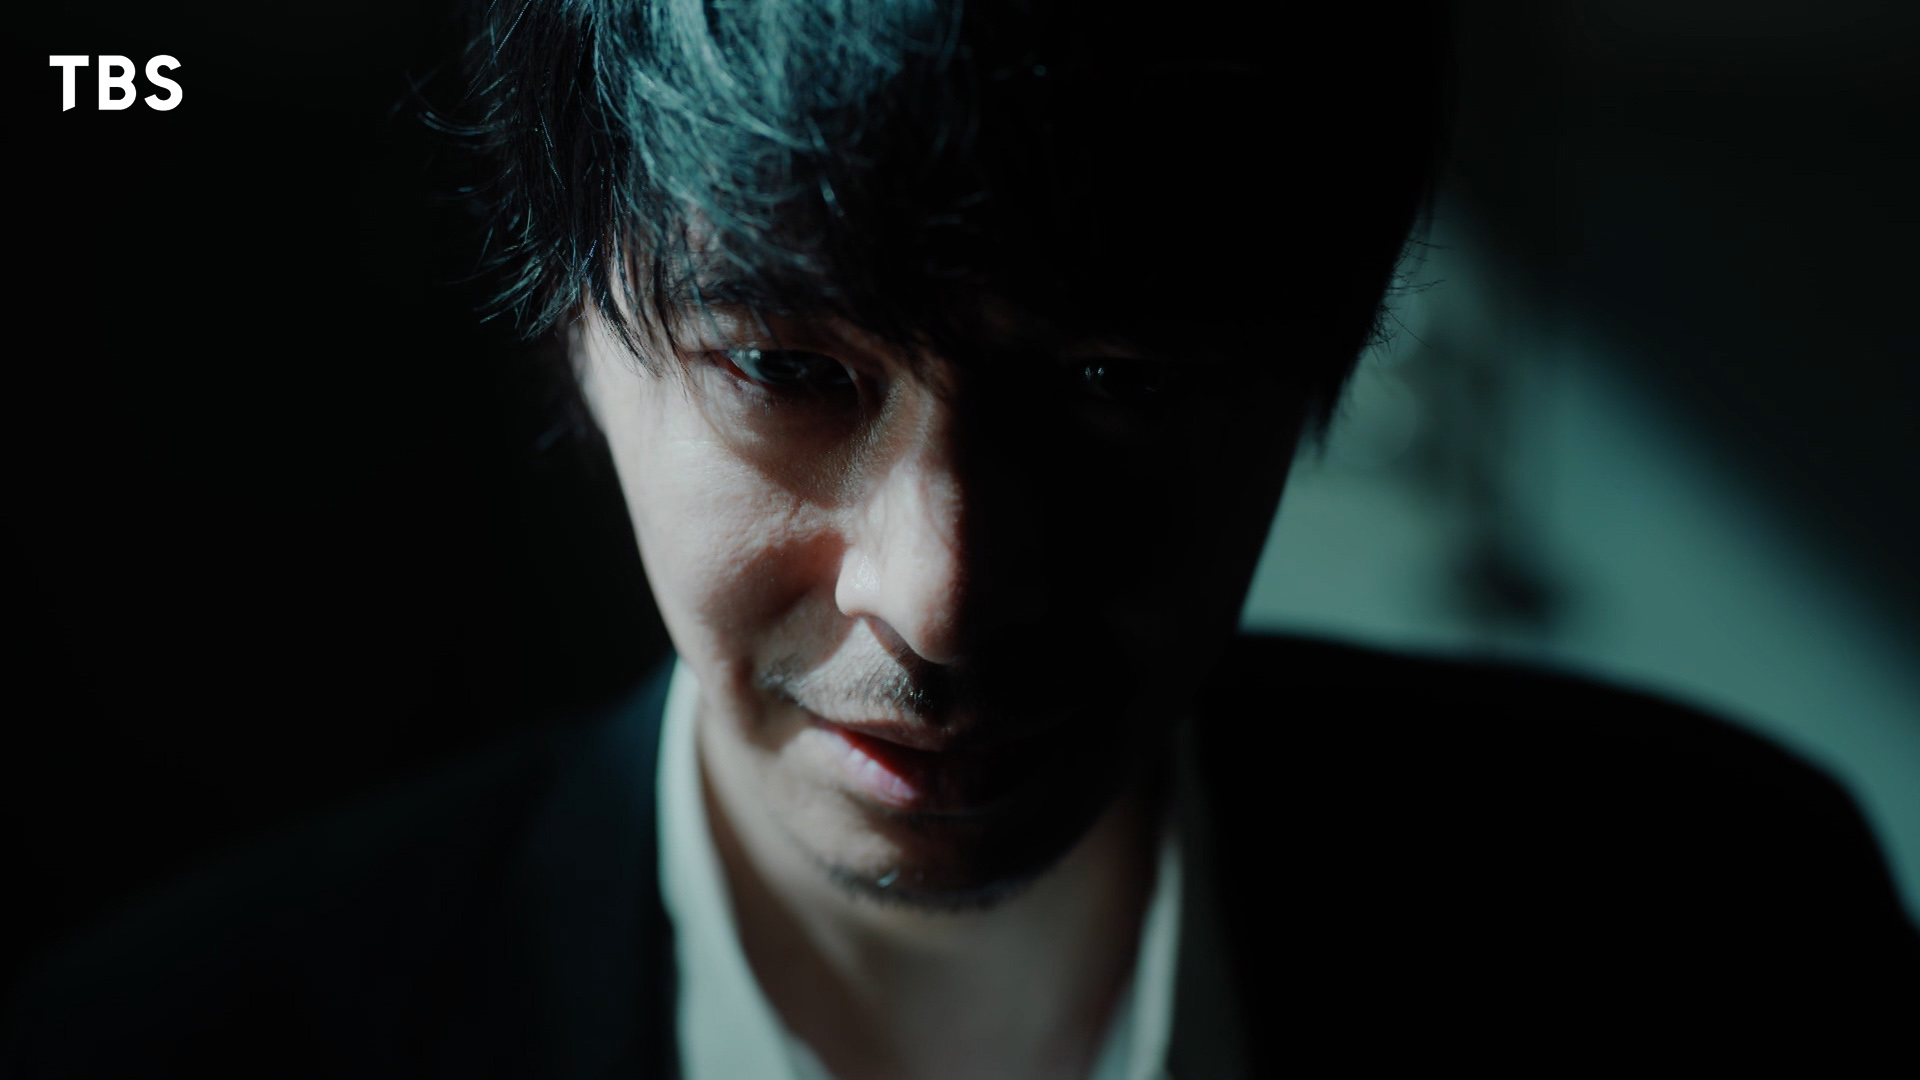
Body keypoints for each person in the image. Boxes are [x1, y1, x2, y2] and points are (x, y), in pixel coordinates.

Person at [4, 1, 1915, 1076]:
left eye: (1117, 380)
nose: (943, 593)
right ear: (575, 328)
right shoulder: (165, 1056)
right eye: (787, 368)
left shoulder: (1726, 937)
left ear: (1314, 371)